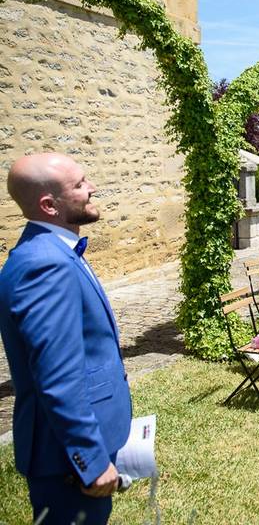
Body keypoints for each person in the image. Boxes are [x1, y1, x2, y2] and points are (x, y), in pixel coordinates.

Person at [0, 153, 132, 524]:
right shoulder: (44, 264)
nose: (92, 189)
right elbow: (57, 376)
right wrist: (89, 460)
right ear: (49, 205)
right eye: (79, 185)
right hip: (63, 461)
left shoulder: (54, 250)